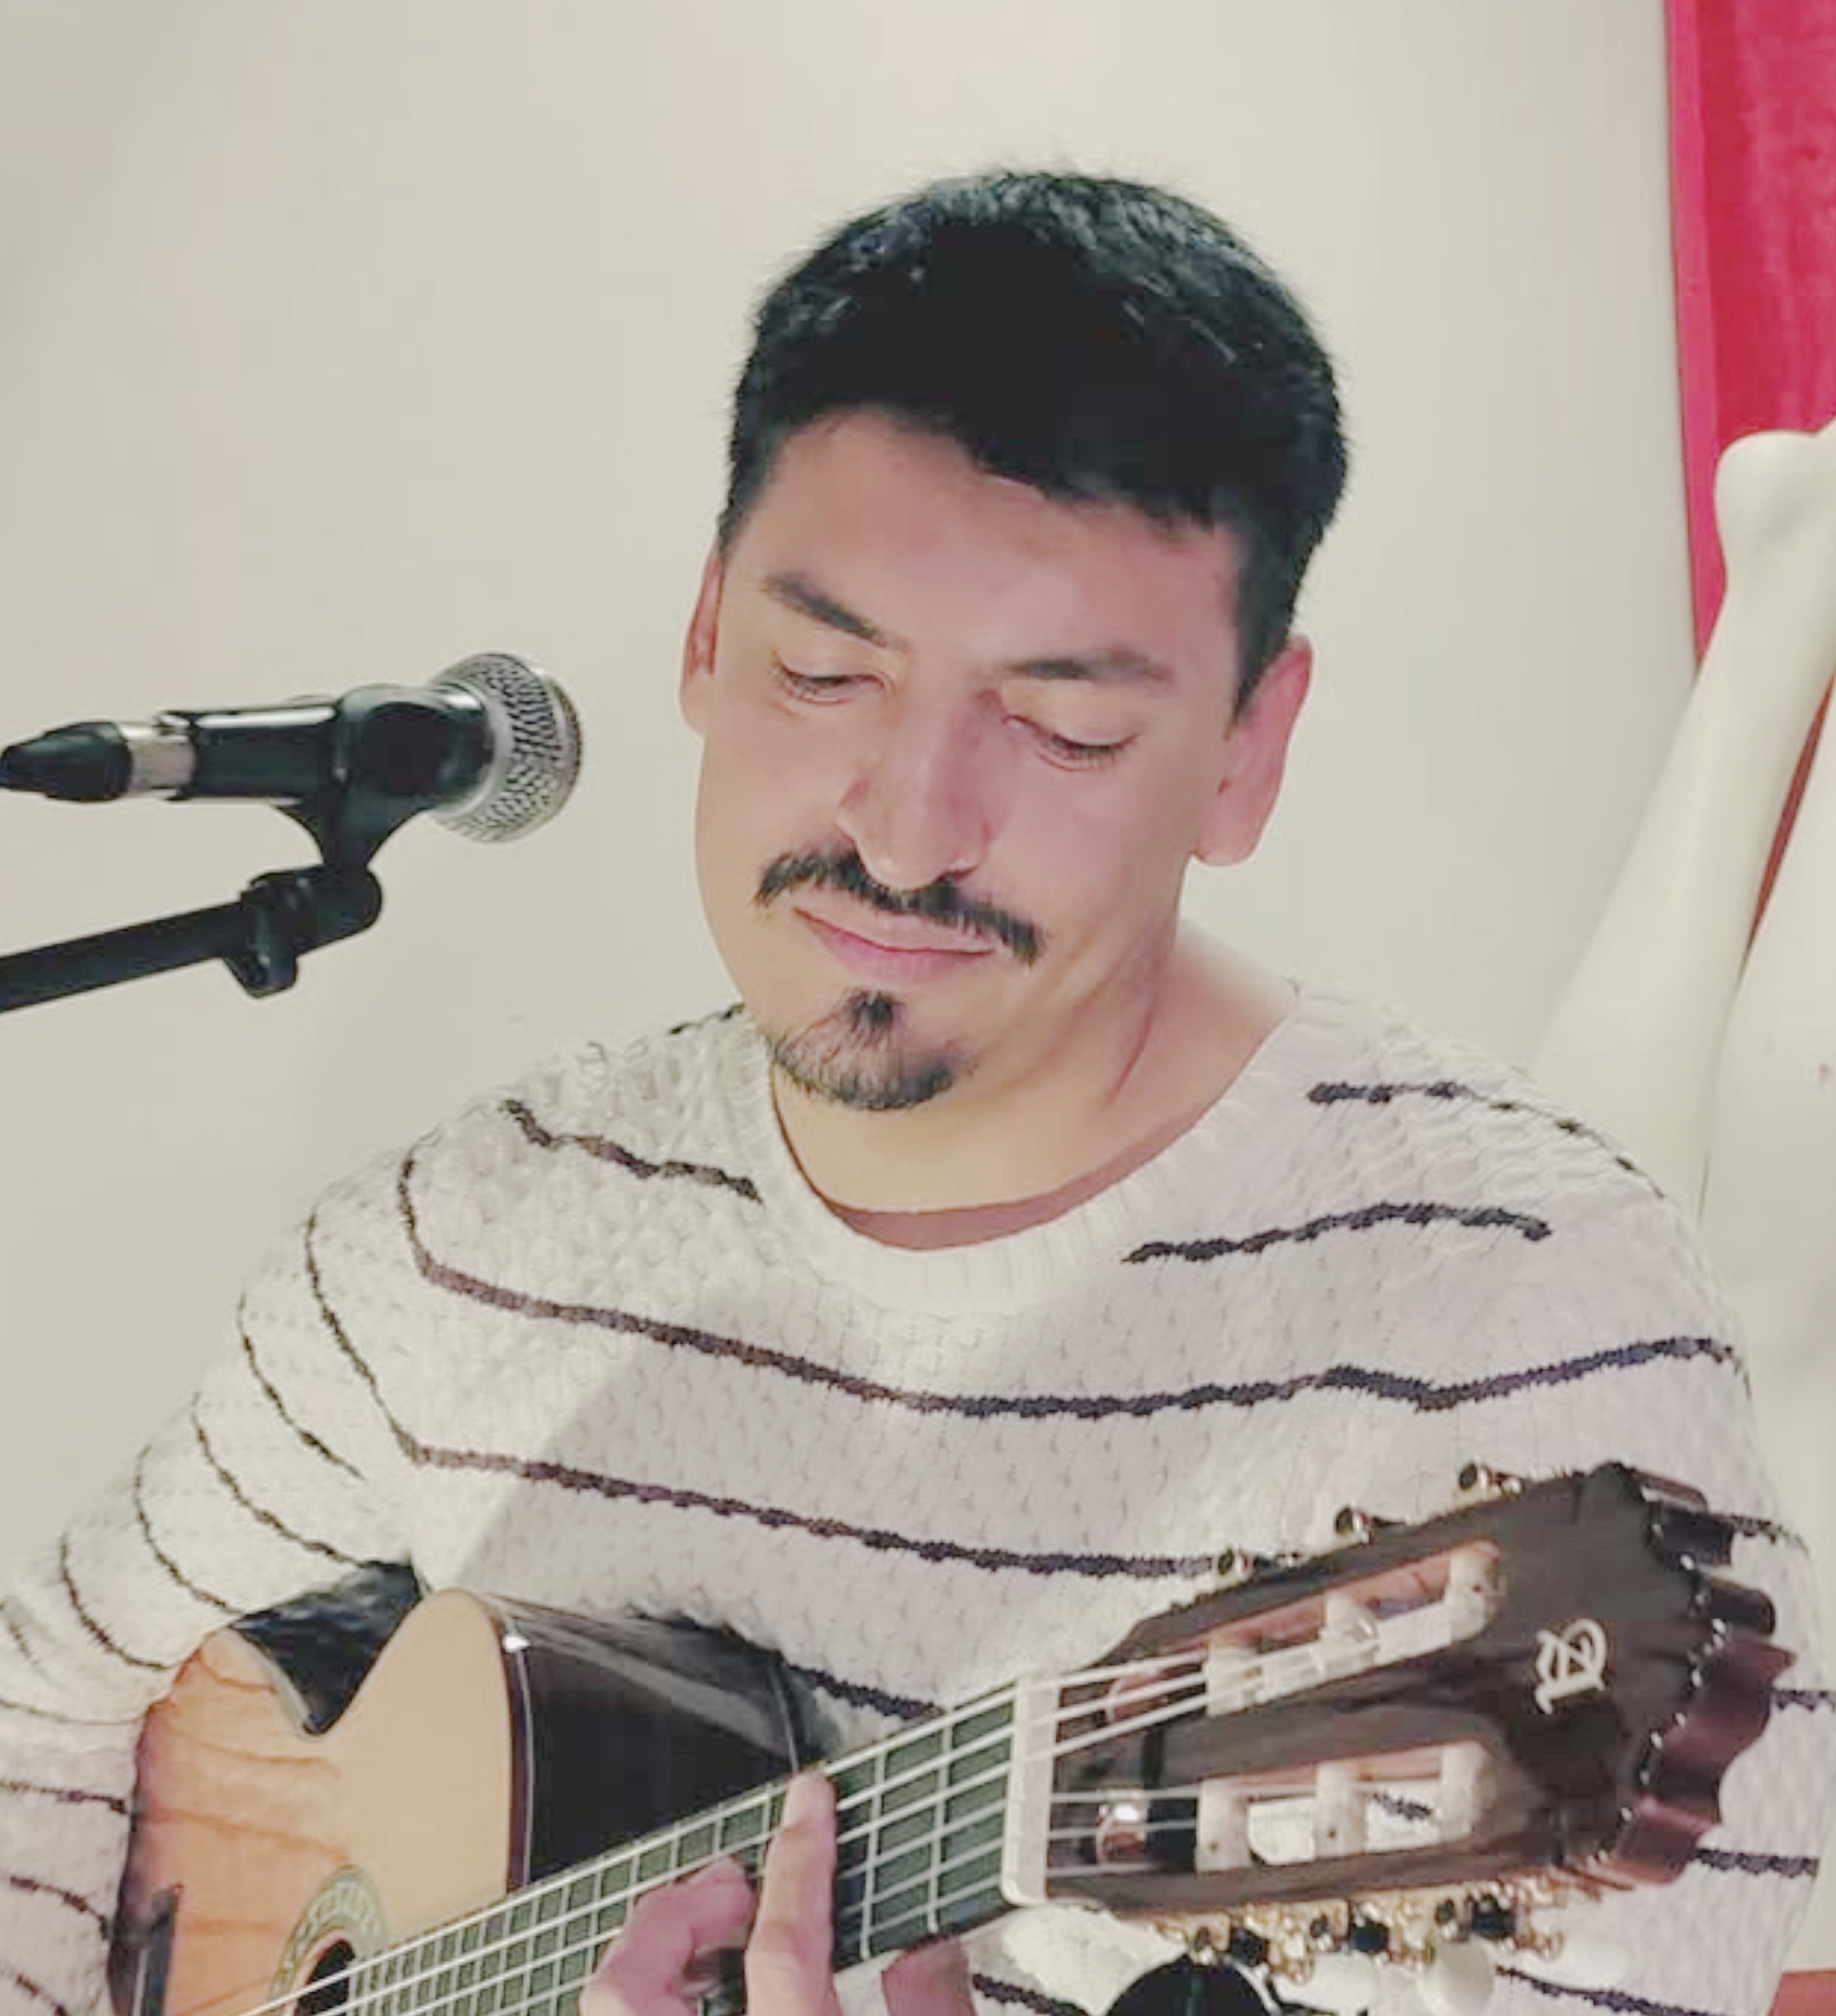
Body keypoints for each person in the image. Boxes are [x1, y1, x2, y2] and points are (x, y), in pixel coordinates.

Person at [0, 170, 1828, 2016]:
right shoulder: (455, 1247)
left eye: (1065, 725)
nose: (903, 827)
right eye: (823, 671)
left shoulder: (1523, 1327)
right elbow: (45, 1693)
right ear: (705, 633)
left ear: (1246, 750)